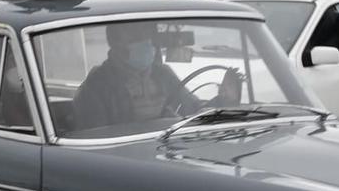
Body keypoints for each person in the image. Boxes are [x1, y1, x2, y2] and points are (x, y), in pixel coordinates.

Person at [69, 23, 238, 135]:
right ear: (115, 42)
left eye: (147, 36)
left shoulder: (163, 75)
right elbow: (95, 139)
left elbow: (195, 110)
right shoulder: (97, 85)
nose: (145, 41)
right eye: (135, 36)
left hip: (168, 153)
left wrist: (223, 100)